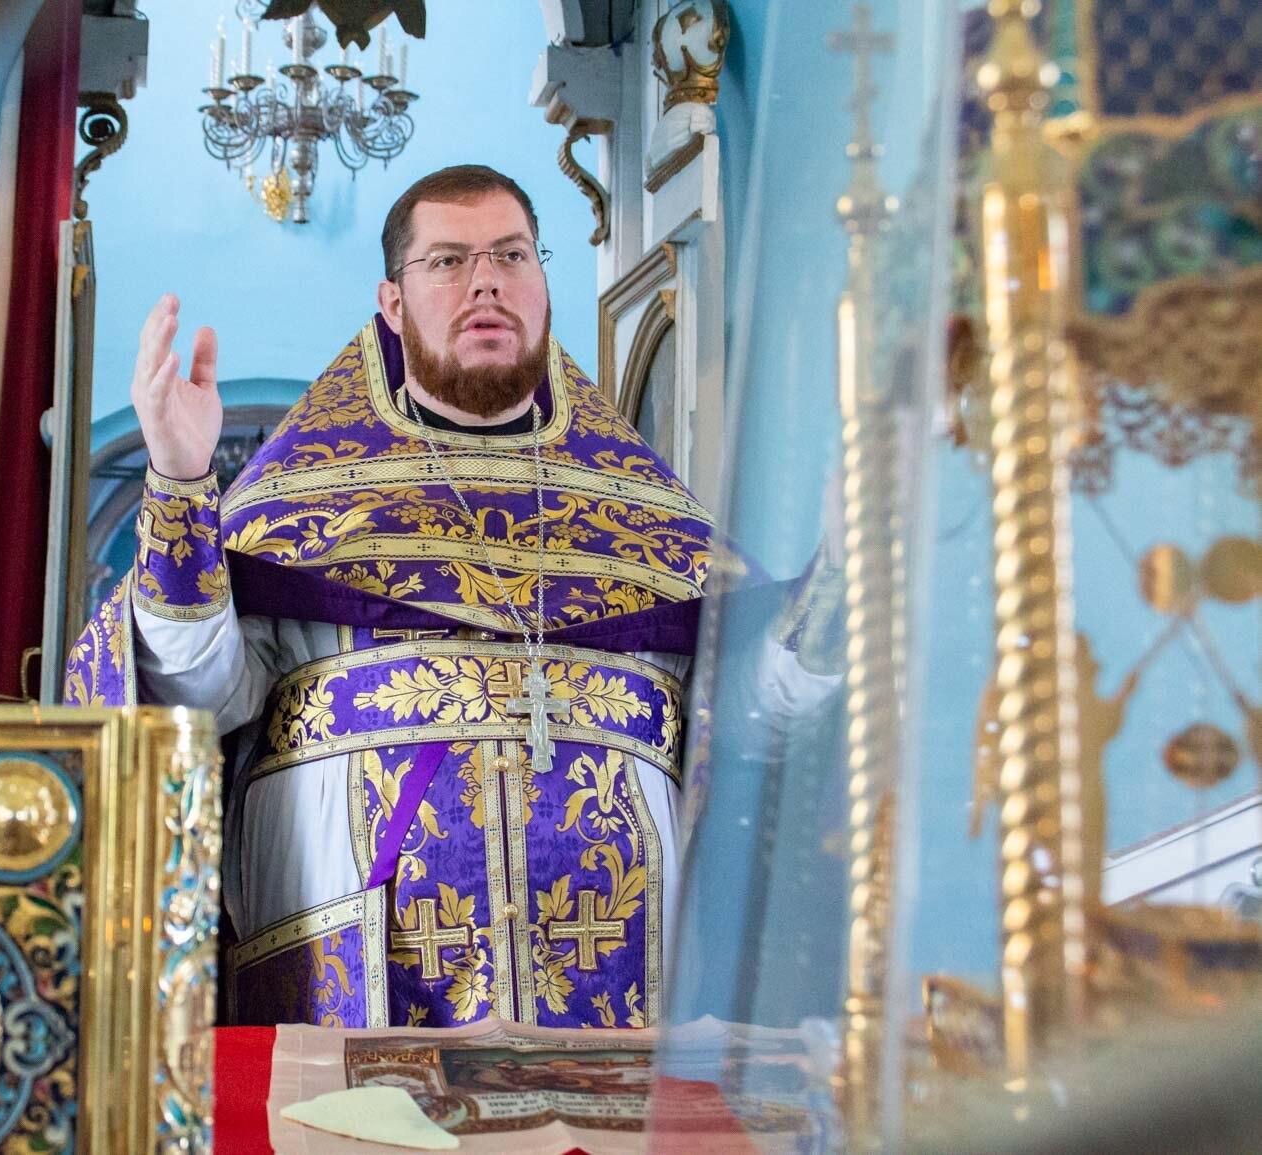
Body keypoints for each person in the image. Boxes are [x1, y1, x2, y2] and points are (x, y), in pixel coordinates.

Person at [66, 165, 842, 1029]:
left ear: (542, 282)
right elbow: (191, 698)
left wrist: (846, 569)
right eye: (448, 261)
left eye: (512, 255)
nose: (486, 282)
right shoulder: (300, 508)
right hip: (355, 999)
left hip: (622, 999)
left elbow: (755, 719)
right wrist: (180, 484)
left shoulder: (646, 516)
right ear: (392, 304)